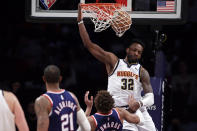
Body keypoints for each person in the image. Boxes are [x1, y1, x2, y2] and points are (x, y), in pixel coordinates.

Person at [77, 4, 156, 131]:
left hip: (138, 109)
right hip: (119, 111)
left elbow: (150, 97)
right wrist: (80, 22)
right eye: (134, 50)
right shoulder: (114, 62)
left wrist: (139, 103)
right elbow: (89, 45)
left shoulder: (142, 71)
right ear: (127, 50)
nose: (136, 53)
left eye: (139, 52)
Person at [34, 65, 91, 131]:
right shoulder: (72, 96)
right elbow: (87, 127)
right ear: (60, 78)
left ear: (44, 79)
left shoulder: (42, 101)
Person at [78, 90, 144, 131]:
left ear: (96, 104)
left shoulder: (92, 120)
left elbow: (82, 125)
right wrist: (135, 107)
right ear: (112, 103)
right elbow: (141, 121)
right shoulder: (119, 112)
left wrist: (89, 107)